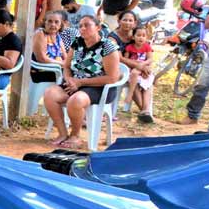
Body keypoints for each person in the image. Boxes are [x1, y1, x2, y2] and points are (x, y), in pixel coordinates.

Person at [43, 14, 121, 148]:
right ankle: (62, 133)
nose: (82, 29)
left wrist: (80, 83)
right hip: (75, 83)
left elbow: (112, 78)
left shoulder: (107, 47)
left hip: (100, 87)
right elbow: (67, 66)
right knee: (50, 94)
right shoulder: (78, 42)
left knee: (76, 101)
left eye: (87, 25)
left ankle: (75, 135)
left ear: (98, 27)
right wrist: (69, 81)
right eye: (80, 26)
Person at [121, 23, 155, 124]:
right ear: (133, 36)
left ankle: (144, 110)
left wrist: (143, 65)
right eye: (138, 35)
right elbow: (126, 60)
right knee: (134, 75)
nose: (141, 38)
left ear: (147, 37)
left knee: (146, 86)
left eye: (143, 36)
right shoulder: (129, 47)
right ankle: (145, 111)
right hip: (133, 71)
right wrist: (137, 66)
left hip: (144, 70)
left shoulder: (147, 47)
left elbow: (150, 59)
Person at [31, 10, 69, 84]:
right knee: (73, 76)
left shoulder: (57, 36)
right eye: (50, 21)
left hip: (57, 69)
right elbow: (41, 59)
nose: (53, 25)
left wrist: (67, 64)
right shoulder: (41, 34)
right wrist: (62, 64)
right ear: (45, 22)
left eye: (56, 22)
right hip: (42, 70)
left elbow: (66, 57)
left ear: (61, 24)